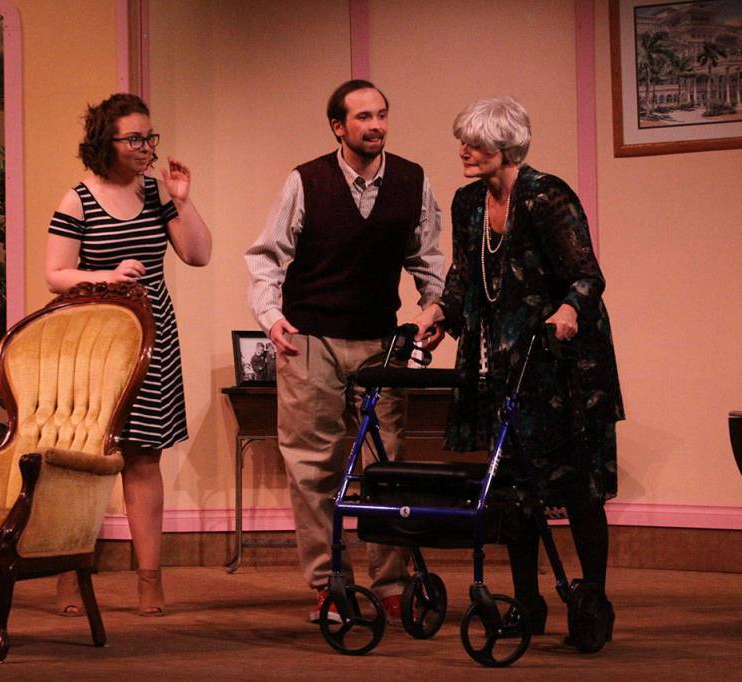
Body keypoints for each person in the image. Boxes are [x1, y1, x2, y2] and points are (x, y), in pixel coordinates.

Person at [417, 96, 624, 638]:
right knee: (514, 486)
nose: (463, 149)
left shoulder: (546, 196)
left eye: (476, 141)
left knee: (577, 486)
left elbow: (586, 276)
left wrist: (567, 310)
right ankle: (528, 604)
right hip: (505, 363)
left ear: (505, 147)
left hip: (562, 364)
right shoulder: (467, 203)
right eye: (462, 139)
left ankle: (592, 603)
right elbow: (464, 277)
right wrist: (440, 310)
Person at [244, 79, 445, 623]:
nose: (375, 125)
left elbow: (428, 258)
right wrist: (272, 318)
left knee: (388, 464)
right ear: (339, 126)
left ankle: (390, 583)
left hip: (380, 340)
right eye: (362, 117)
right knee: (313, 467)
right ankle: (330, 582)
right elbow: (266, 257)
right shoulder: (305, 181)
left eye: (381, 114)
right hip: (311, 340)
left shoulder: (412, 180)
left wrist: (434, 307)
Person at [46, 93, 212, 616]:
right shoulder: (78, 199)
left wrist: (182, 200)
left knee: (143, 457)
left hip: (151, 334)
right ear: (106, 142)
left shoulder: (157, 191)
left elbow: (198, 254)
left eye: (149, 137)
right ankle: (70, 577)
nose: (145, 147)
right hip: (96, 337)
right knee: (85, 460)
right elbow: (56, 274)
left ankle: (149, 580)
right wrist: (106, 275)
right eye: (134, 138)